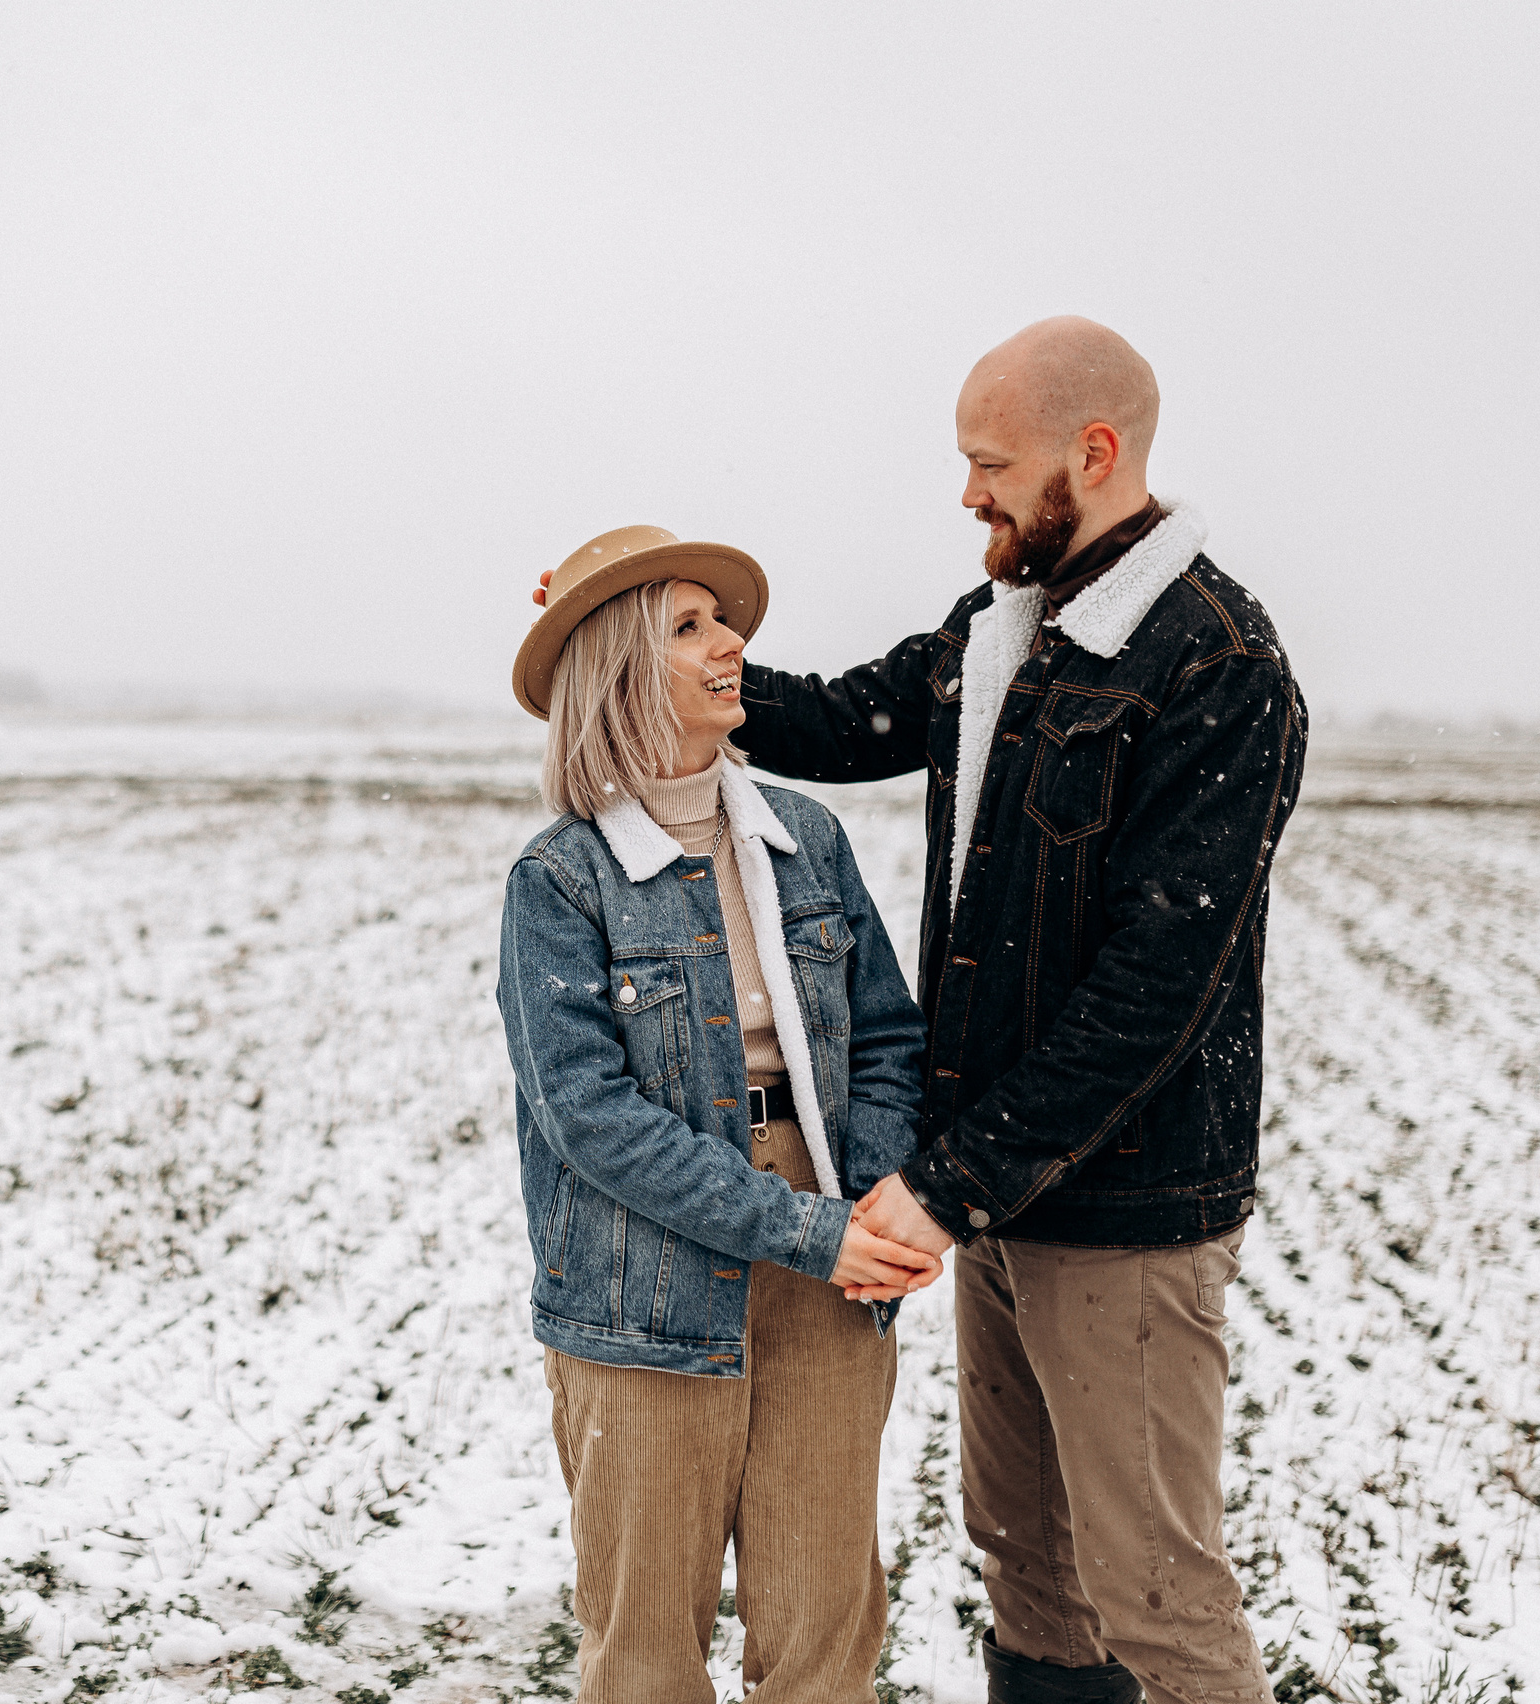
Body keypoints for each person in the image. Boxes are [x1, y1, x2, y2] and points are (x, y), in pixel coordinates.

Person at [534, 318, 1307, 1704]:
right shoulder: (999, 628)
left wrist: (943, 1187)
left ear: (1094, 452)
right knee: (1028, 1554)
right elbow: (838, 721)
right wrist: (645, 638)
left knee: (1158, 1591)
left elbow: (1155, 989)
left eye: (989, 463)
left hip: (1120, 1205)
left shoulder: (1216, 666)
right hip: (995, 1193)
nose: (969, 494)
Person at [496, 527, 936, 1704]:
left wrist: (875, 1200)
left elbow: (889, 1037)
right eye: (686, 627)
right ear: (620, 672)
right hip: (645, 1271)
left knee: (823, 1638)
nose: (730, 644)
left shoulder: (811, 840)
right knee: (644, 1653)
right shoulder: (560, 879)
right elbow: (590, 1117)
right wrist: (806, 1230)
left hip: (832, 1261)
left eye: (722, 620)